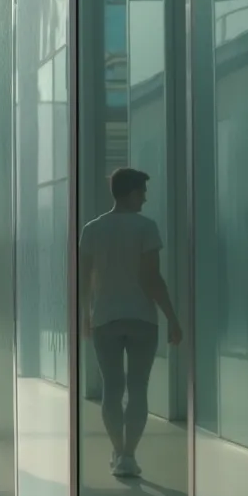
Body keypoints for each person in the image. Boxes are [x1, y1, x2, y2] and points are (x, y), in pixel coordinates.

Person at [79, 167, 182, 478]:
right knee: (138, 388)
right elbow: (152, 279)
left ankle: (117, 449)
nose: (146, 198)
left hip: (106, 318)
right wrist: (172, 318)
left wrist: (84, 315)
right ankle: (128, 455)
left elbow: (84, 279)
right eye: (143, 192)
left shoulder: (92, 229)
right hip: (141, 319)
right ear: (131, 193)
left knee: (112, 387)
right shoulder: (146, 228)